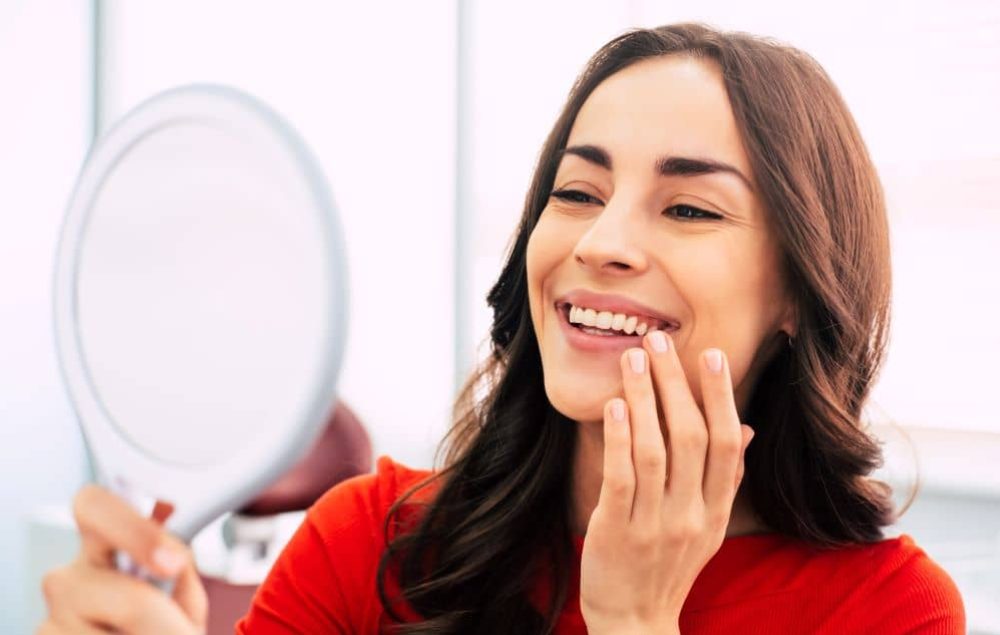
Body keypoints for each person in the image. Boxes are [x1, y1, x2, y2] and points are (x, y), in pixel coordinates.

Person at [39, 23, 966, 634]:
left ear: (801, 290)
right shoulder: (369, 542)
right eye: (576, 192)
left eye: (687, 209)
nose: (601, 241)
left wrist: (635, 622)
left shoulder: (891, 611)